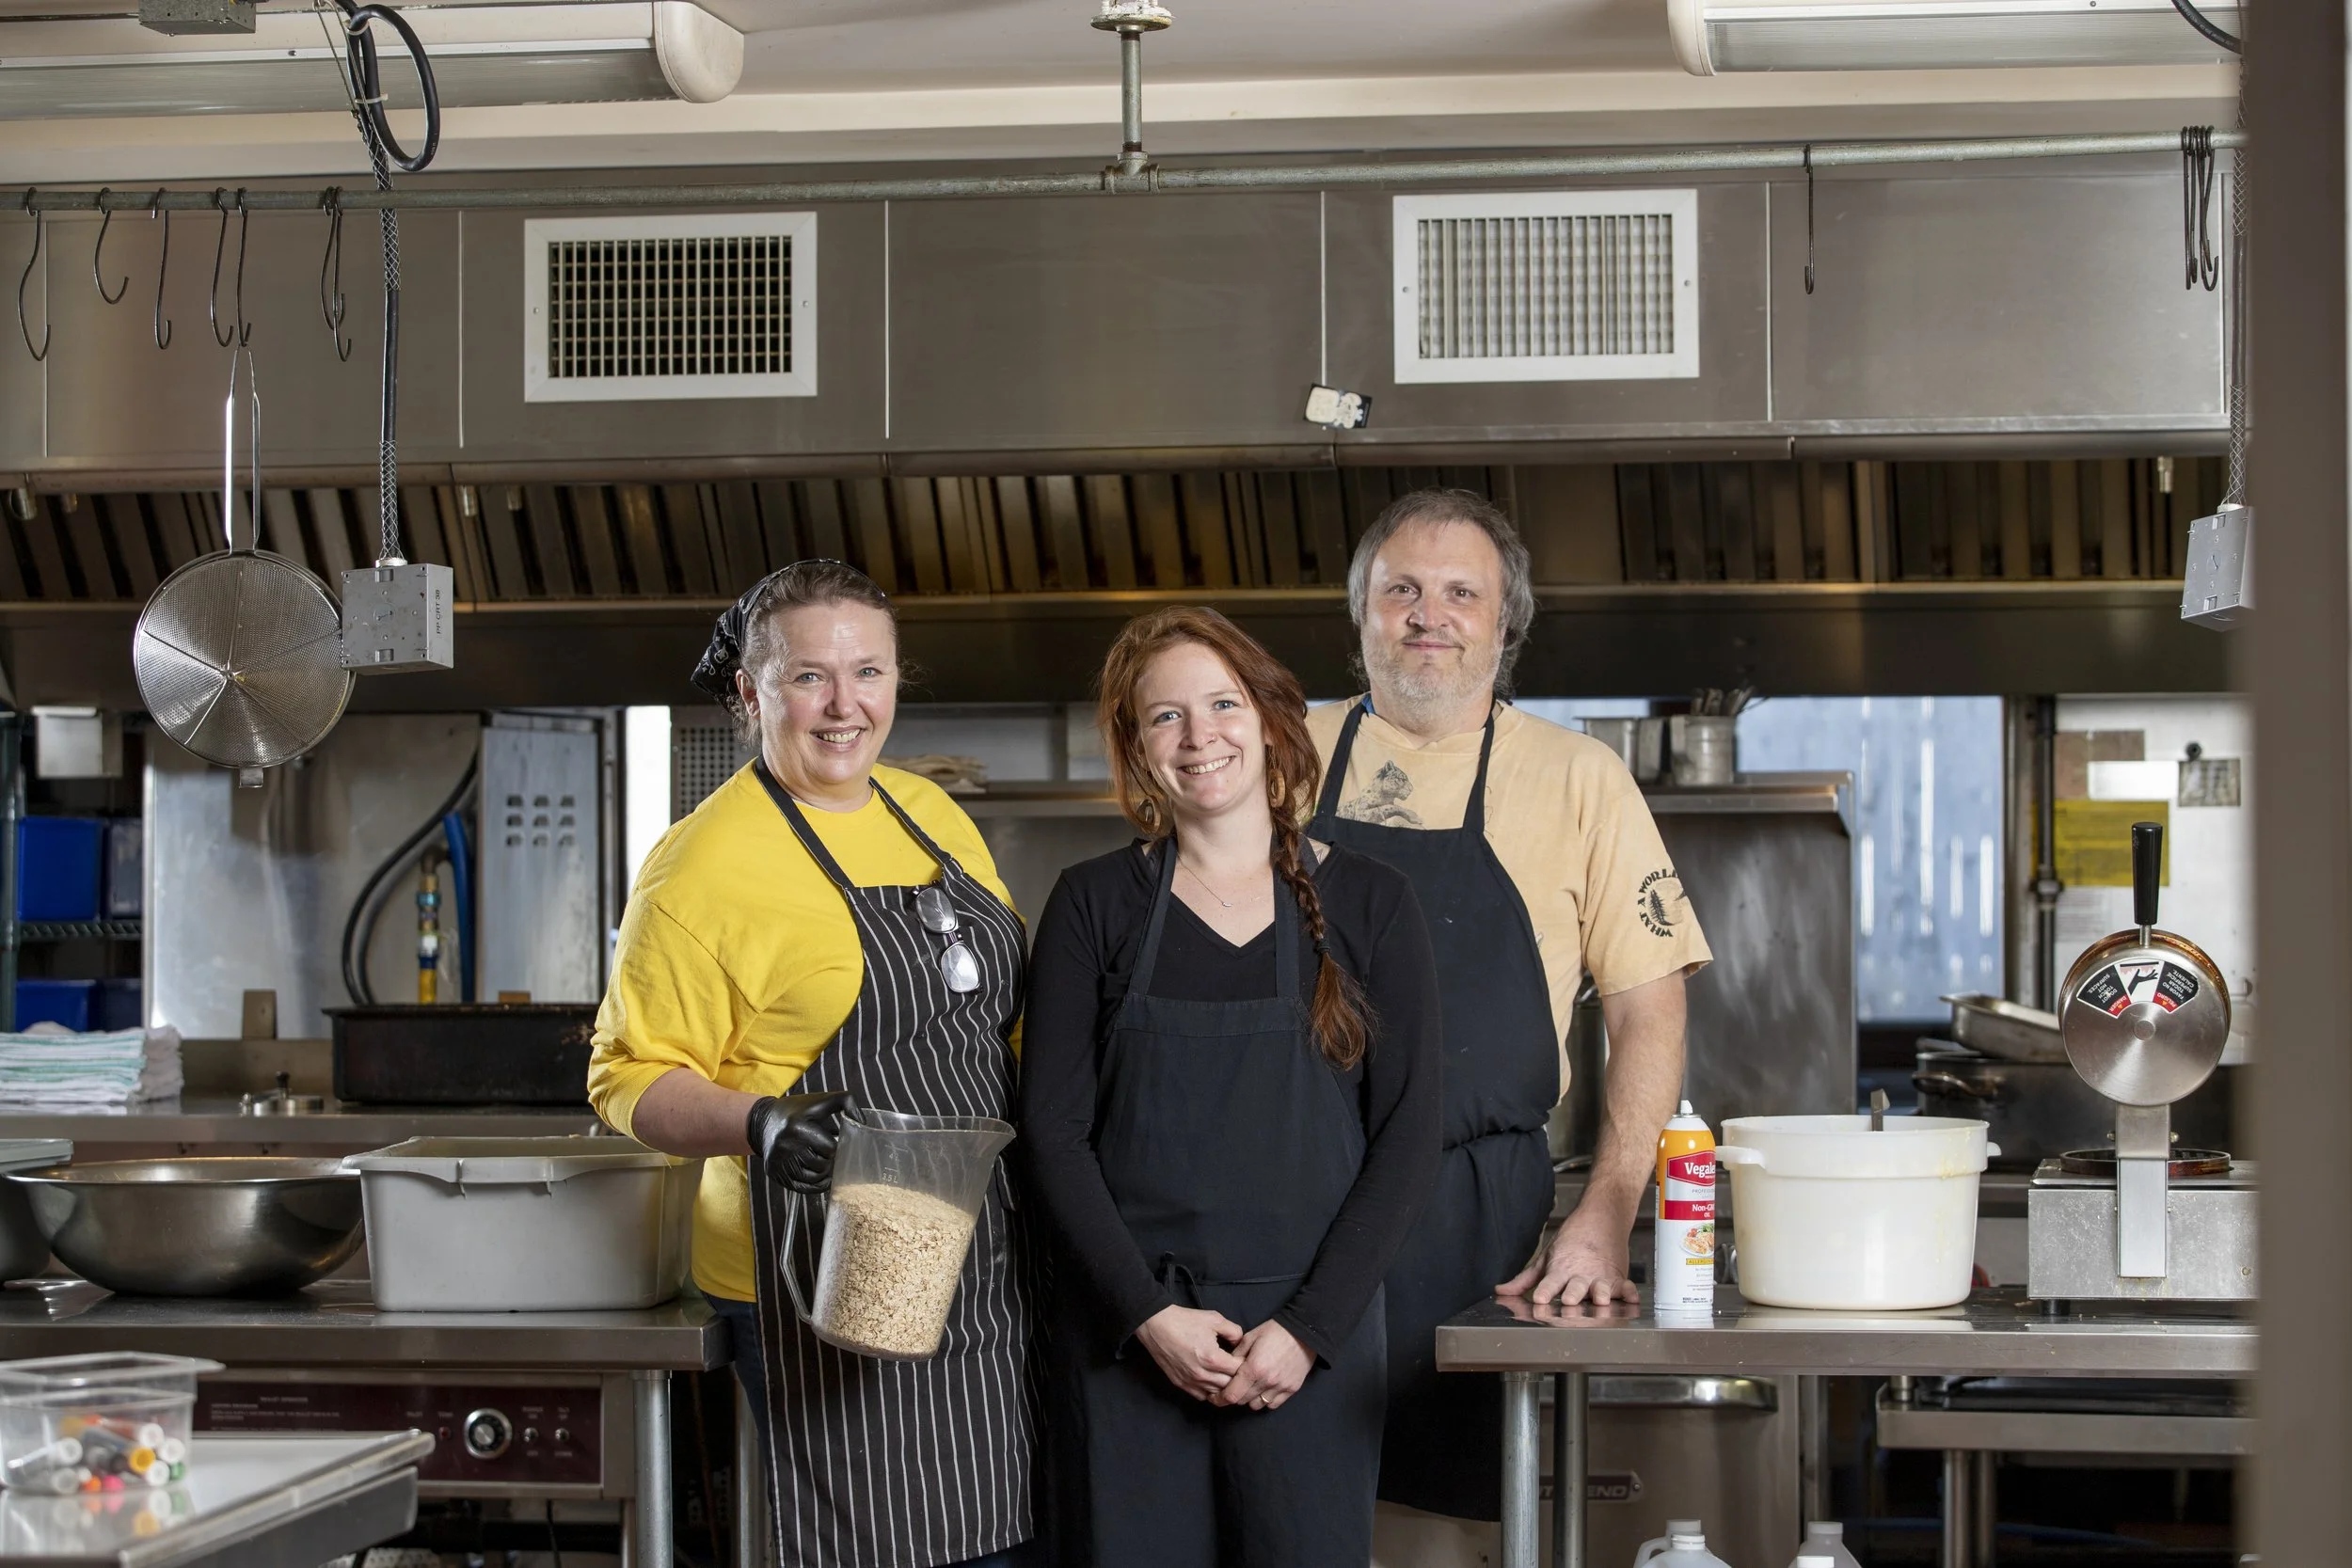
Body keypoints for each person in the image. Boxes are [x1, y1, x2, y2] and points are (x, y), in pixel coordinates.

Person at [586, 560, 1038, 1568]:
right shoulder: (702, 864)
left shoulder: (930, 812)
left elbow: (994, 1015)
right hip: (820, 1275)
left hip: (981, 1258)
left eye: (868, 672)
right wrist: (757, 1121)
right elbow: (624, 1076)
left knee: (1001, 1537)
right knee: (884, 1545)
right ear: (751, 694)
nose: (845, 705)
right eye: (808, 677)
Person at [1306, 489, 1713, 1551]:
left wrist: (1607, 1207)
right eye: (1401, 589)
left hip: (1474, 1222)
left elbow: (1649, 1010)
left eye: (1460, 593)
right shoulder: (1273, 751)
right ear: (1361, 612)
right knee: (1291, 1517)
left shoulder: (1580, 778)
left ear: (1505, 622)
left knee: (1450, 1530)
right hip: (1289, 1205)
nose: (1427, 615)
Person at [1021, 607, 1441, 1568]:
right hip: (1129, 1342)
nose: (1198, 735)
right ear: (1137, 746)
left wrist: (1308, 1328)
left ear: (1267, 716)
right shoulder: (1093, 903)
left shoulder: (1373, 902)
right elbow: (1051, 1132)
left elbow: (1408, 1135)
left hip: (1311, 1348)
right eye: (1164, 716)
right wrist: (1145, 1314)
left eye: (1221, 704)